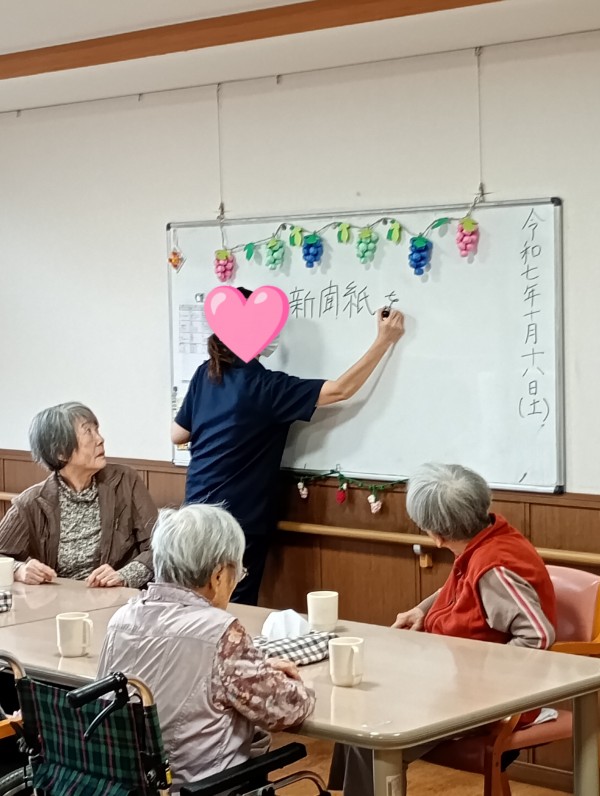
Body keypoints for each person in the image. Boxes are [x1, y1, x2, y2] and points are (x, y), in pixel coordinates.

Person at [329, 462, 557, 796]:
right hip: (452, 686)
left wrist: (484, 673)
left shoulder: (494, 568)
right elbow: (463, 588)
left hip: (488, 701)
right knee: (356, 714)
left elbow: (538, 635)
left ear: (437, 536)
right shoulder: (484, 537)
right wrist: (422, 611)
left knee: (369, 732)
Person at [172, 287, 405, 604]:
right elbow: (340, 390)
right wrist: (383, 341)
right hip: (237, 522)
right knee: (232, 607)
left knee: (190, 603)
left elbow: (177, 434)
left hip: (195, 512)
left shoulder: (206, 373)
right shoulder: (267, 387)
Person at [98, 503, 315, 794]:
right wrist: (296, 683)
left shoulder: (122, 619)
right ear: (218, 576)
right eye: (238, 573)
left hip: (124, 788)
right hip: (199, 789)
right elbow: (288, 707)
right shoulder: (220, 632)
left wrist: (255, 672)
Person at [0, 402, 157, 588]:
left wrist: (123, 576)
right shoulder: (31, 503)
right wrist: (19, 570)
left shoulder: (126, 481)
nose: (100, 439)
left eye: (97, 430)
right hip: (58, 599)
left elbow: (159, 547)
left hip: (119, 598)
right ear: (60, 452)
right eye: (88, 432)